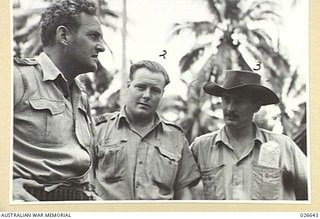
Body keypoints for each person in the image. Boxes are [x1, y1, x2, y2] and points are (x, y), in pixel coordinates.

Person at [13, 0, 106, 201]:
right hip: (35, 203)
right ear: (64, 35)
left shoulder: (81, 95)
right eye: (93, 36)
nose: (101, 47)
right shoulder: (18, 77)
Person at [190, 70, 308, 200]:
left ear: (256, 106)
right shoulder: (201, 147)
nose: (230, 108)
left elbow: (313, 190)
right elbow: (178, 188)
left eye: (239, 101)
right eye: (226, 99)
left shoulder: (284, 146)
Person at [93, 60, 201, 200]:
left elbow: (183, 193)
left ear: (162, 94)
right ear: (128, 86)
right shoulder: (99, 130)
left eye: (155, 90)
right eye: (141, 87)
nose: (147, 95)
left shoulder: (176, 138)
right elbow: (85, 183)